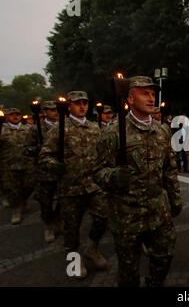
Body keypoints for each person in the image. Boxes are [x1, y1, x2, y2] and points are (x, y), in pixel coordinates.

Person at [94, 76, 181, 287]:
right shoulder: (113, 132)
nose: (151, 98)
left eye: (153, 94)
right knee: (128, 271)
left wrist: (175, 198)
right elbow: (97, 172)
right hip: (126, 215)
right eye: (145, 93)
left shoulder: (162, 130)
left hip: (158, 211)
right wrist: (113, 176)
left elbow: (169, 168)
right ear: (130, 98)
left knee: (164, 256)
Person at [39, 91, 109, 278]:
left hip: (93, 185)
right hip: (70, 188)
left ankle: (92, 248)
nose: (82, 106)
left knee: (104, 216)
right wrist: (56, 166)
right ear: (69, 105)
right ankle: (74, 262)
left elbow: (103, 153)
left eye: (85, 102)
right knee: (71, 228)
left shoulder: (95, 128)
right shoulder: (59, 129)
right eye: (78, 103)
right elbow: (44, 156)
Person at [27, 101, 62, 242]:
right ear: (45, 112)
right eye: (51, 110)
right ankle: (48, 225)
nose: (55, 112)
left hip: (61, 170)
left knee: (63, 200)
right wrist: (39, 148)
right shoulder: (36, 129)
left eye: (56, 109)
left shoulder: (65, 125)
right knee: (46, 202)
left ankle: (58, 220)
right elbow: (26, 149)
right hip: (44, 172)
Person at [0, 108, 35, 224]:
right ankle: (16, 210)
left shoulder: (29, 129)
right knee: (12, 189)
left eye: (17, 114)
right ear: (6, 117)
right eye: (12, 115)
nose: (15, 117)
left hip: (28, 164)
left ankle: (23, 200)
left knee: (30, 185)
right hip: (9, 165)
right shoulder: (2, 130)